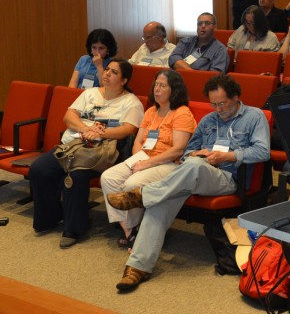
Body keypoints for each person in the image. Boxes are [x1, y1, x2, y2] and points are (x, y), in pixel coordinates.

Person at [107, 74, 270, 291]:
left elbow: (262, 151)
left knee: (191, 169)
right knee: (164, 197)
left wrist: (227, 156)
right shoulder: (208, 121)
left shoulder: (254, 116)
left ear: (236, 97)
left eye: (223, 103)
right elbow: (186, 154)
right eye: (213, 104)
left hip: (228, 178)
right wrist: (199, 154)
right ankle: (137, 268)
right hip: (194, 174)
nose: (218, 109)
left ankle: (143, 195)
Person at [30, 58, 144, 248]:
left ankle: (74, 228)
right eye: (107, 69)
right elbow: (68, 116)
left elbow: (128, 130)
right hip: (71, 146)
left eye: (114, 72)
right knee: (39, 169)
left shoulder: (131, 102)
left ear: (124, 80)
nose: (107, 73)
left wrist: (100, 133)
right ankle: (52, 217)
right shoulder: (90, 93)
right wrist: (85, 129)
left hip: (100, 152)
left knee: (76, 174)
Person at [101, 70, 195, 248]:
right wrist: (139, 158)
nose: (157, 89)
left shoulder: (182, 113)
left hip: (169, 163)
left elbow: (178, 149)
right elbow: (138, 141)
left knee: (131, 185)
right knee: (108, 177)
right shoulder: (151, 111)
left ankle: (137, 231)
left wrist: (147, 163)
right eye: (156, 85)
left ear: (174, 90)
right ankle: (131, 230)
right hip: (144, 158)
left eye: (163, 85)